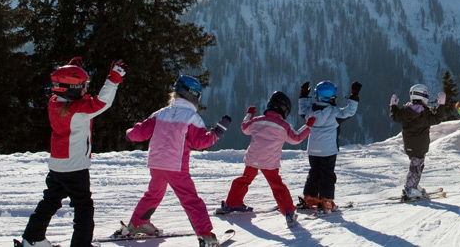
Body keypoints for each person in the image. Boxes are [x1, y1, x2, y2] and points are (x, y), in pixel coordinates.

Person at [19, 57, 126, 247]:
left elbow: (67, 91)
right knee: (83, 206)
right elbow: (102, 102)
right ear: (73, 89)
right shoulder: (78, 110)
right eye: (83, 86)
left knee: (50, 201)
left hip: (58, 164)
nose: (86, 90)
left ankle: (32, 238)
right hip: (75, 166)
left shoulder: (54, 103)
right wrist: (113, 79)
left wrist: (73, 71)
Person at [118, 76, 231, 247]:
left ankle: (138, 223)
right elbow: (200, 142)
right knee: (191, 200)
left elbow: (140, 132)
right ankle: (206, 236)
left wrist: (129, 133)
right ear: (195, 97)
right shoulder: (192, 117)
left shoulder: (160, 113)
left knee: (153, 194)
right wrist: (217, 132)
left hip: (156, 165)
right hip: (176, 167)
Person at [219, 91, 316, 227]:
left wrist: (249, 114)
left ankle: (232, 203)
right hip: (270, 162)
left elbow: (245, 128)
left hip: (253, 158)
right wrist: (308, 126)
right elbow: (296, 138)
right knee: (277, 186)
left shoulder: (258, 120)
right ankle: (288, 211)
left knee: (244, 180)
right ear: (285, 110)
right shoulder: (284, 126)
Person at [297, 79, 361, 212]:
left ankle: (310, 198)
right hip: (328, 150)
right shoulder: (334, 113)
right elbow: (349, 112)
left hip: (313, 149)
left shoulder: (309, 112)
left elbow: (301, 110)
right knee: (327, 174)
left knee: (314, 172)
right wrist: (354, 96)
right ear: (332, 97)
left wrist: (303, 96)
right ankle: (325, 201)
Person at [389, 84, 446, 200]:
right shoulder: (424, 114)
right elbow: (438, 119)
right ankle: (410, 189)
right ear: (424, 96)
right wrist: (441, 105)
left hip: (409, 145)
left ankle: (413, 184)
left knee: (416, 165)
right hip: (420, 146)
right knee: (416, 167)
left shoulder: (405, 111)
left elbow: (395, 117)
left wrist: (393, 105)